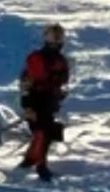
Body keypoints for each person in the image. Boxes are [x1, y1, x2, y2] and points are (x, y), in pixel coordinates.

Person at [18, 23, 70, 182]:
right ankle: (40, 165)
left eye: (59, 38)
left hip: (50, 101)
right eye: (54, 37)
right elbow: (26, 82)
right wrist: (28, 105)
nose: (57, 41)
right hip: (36, 100)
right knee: (42, 133)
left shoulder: (61, 61)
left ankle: (30, 159)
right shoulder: (37, 58)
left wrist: (60, 94)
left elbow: (63, 82)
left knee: (45, 132)